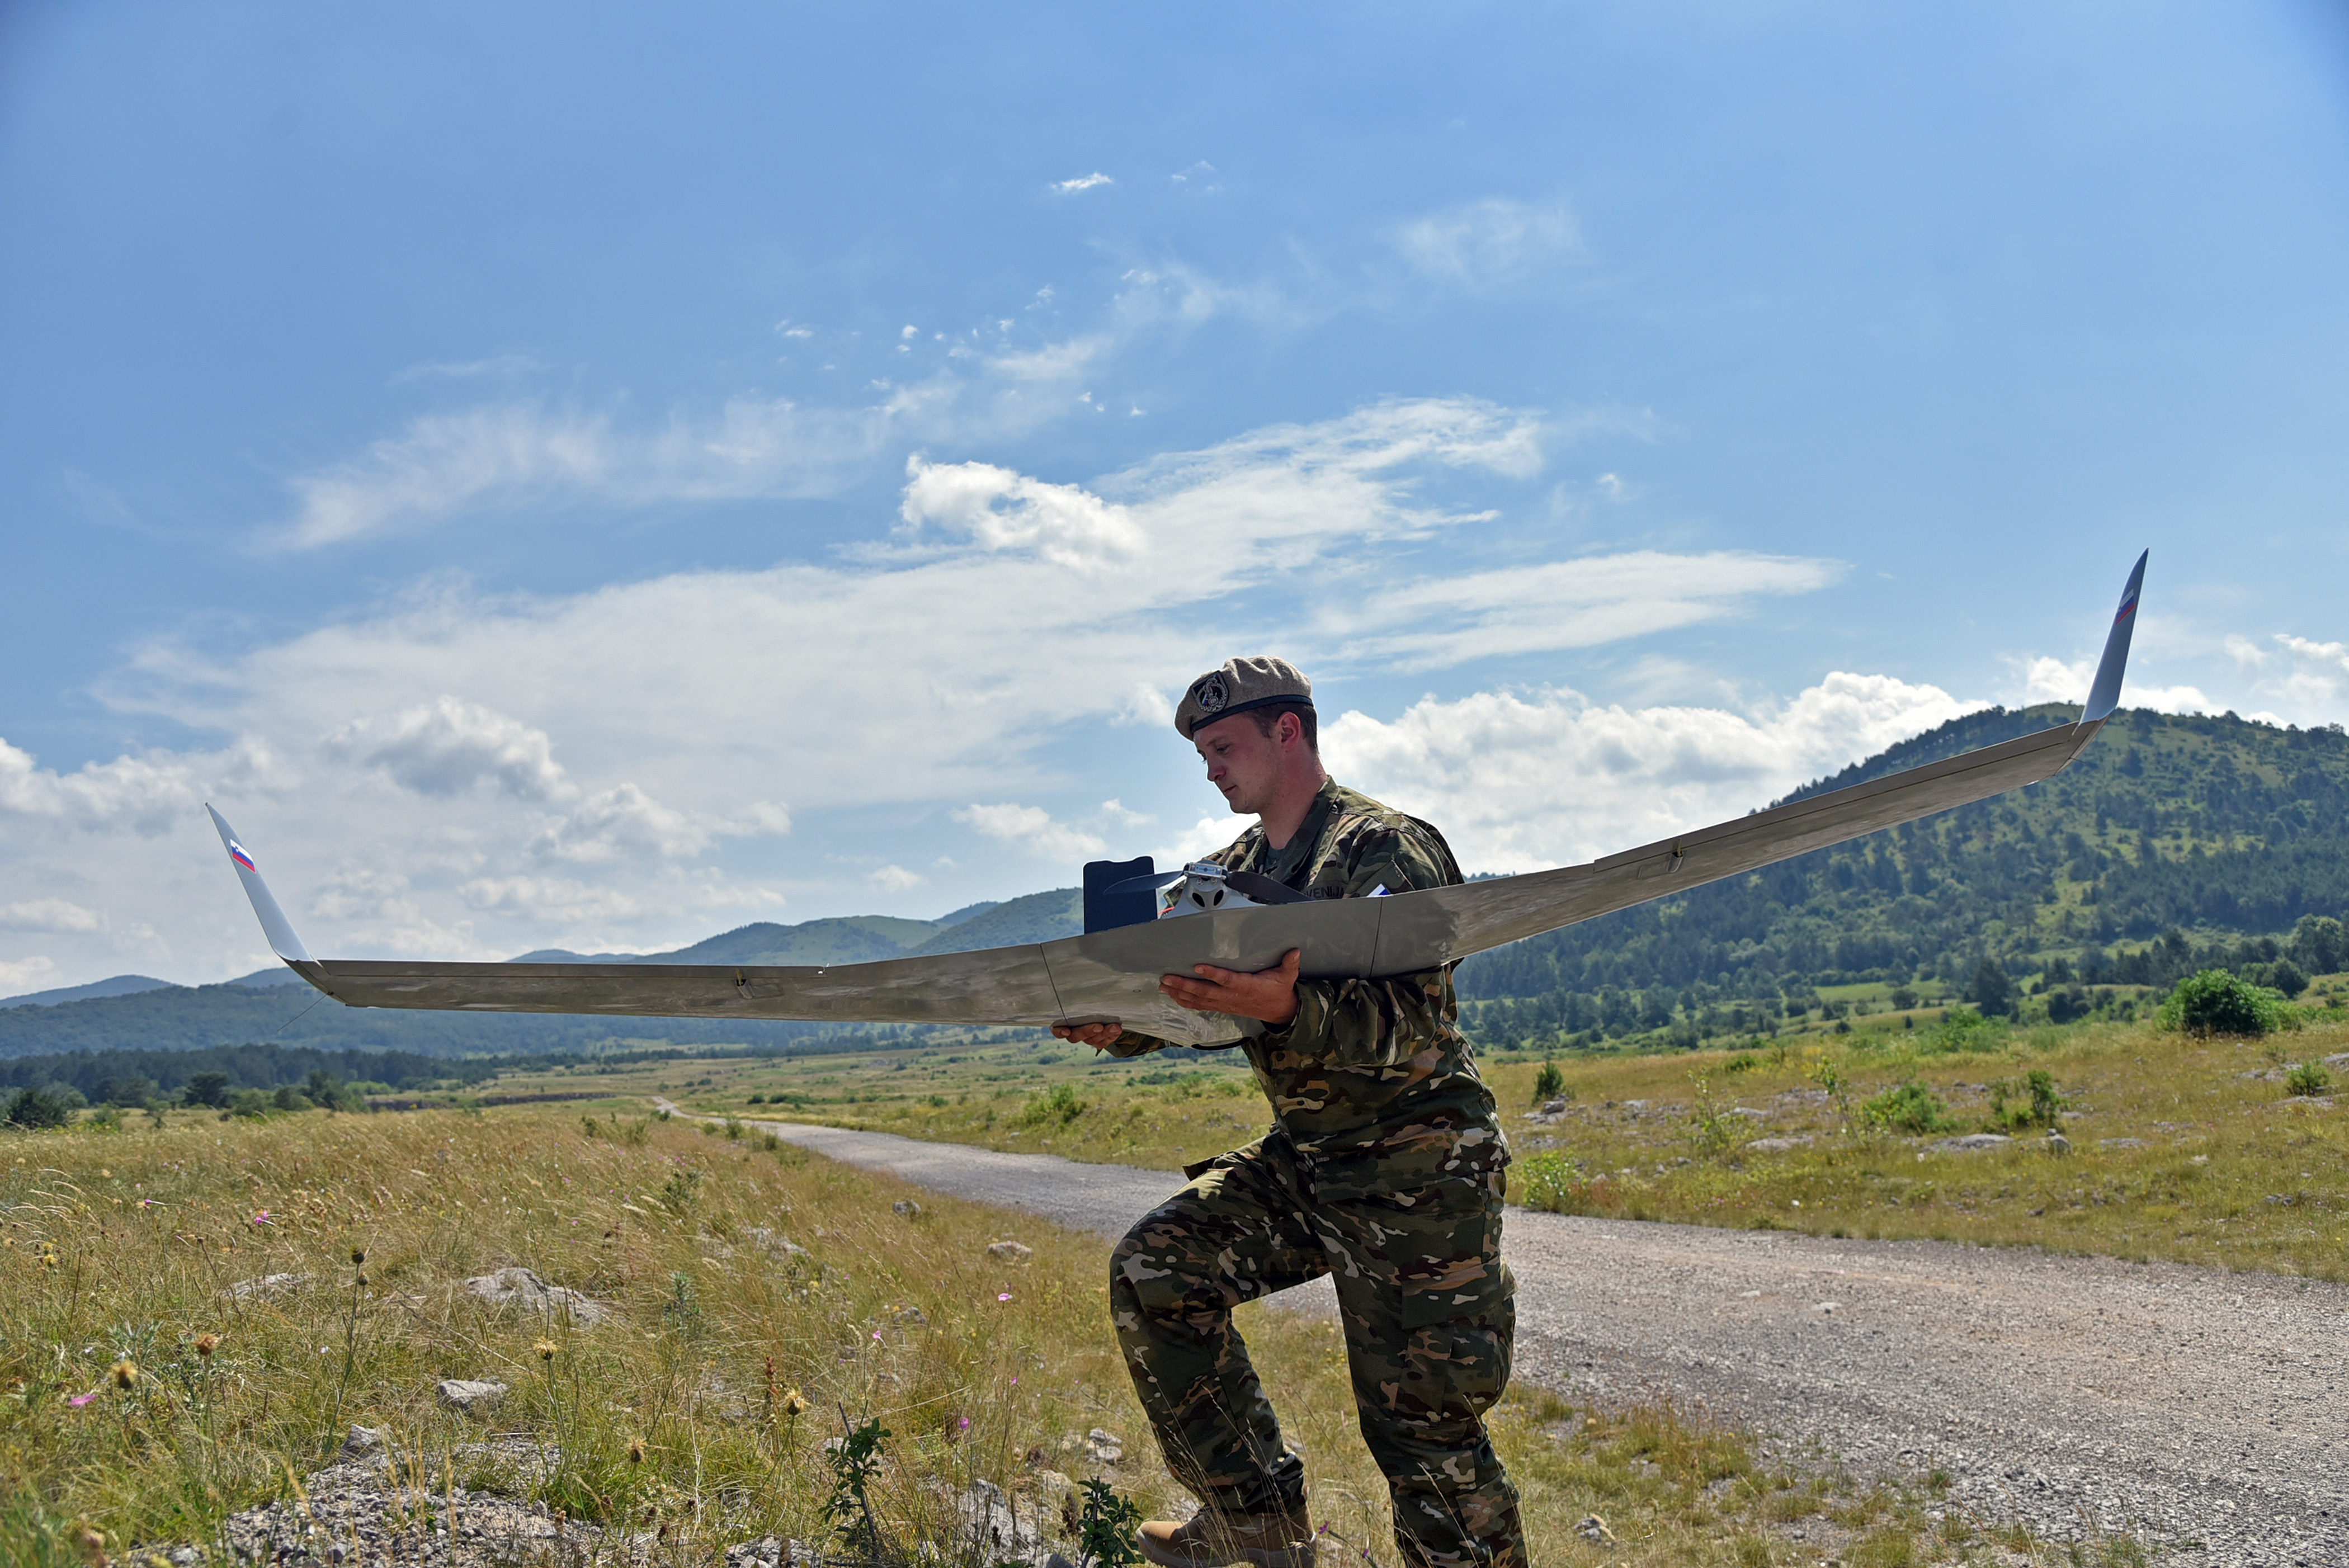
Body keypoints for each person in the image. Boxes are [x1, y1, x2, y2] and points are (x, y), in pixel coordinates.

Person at [1053, 657, 1523, 1568]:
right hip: (1310, 1160)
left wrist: (1286, 1009)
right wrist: (1123, 1025)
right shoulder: (1229, 874)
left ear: (1288, 732)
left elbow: (1417, 1020)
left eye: (1224, 746)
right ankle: (1256, 1522)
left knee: (1425, 1440)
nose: (1211, 768)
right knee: (1160, 1272)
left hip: (1420, 1170)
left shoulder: (1384, 848)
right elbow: (1202, 1005)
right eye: (1200, 754)